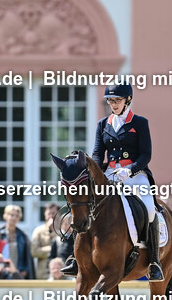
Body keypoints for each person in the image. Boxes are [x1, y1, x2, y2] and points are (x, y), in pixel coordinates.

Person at [62, 83, 163, 281]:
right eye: (111, 101)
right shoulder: (103, 124)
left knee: (150, 209)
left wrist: (130, 169)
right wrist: (96, 172)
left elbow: (146, 154)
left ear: (128, 100)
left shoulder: (140, 123)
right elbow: (98, 153)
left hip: (135, 174)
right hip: (109, 173)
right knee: (85, 205)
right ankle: (76, 258)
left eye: (117, 100)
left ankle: (154, 262)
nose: (114, 104)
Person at [1, 205, 34, 279]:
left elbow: (27, 257)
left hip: (18, 273)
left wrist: (25, 271)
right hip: (2, 273)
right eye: (11, 215)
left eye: (17, 216)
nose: (14, 218)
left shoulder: (23, 236)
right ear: (5, 216)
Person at [32, 204, 60, 280]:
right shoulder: (38, 231)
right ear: (45, 215)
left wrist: (53, 231)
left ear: (59, 214)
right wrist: (51, 249)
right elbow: (34, 252)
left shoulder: (63, 231)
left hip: (60, 275)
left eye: (54, 213)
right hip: (43, 274)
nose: (51, 216)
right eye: (49, 214)